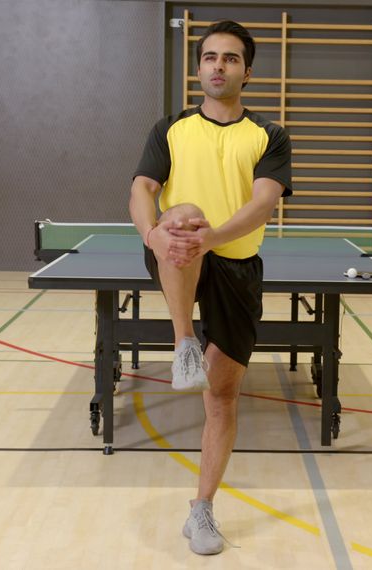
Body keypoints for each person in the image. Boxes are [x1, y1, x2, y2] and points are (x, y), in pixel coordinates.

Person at [128, 20, 291, 555]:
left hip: (235, 265)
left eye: (231, 58)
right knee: (186, 213)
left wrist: (211, 239)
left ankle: (202, 509)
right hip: (176, 255)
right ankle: (183, 342)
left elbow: (263, 201)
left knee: (223, 395)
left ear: (247, 71)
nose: (218, 65)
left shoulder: (269, 134)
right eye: (210, 57)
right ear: (199, 67)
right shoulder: (170, 128)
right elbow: (142, 189)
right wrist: (153, 234)